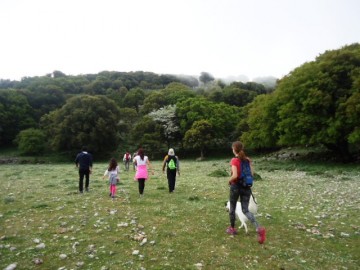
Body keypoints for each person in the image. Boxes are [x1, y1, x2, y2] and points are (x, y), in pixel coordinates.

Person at [227, 141, 266, 244]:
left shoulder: (234, 160)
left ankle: (232, 228)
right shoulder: (248, 160)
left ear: (234, 149)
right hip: (246, 188)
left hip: (236, 187)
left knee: (232, 207)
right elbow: (252, 174)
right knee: (245, 210)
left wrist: (229, 180)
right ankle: (259, 227)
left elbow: (235, 175)